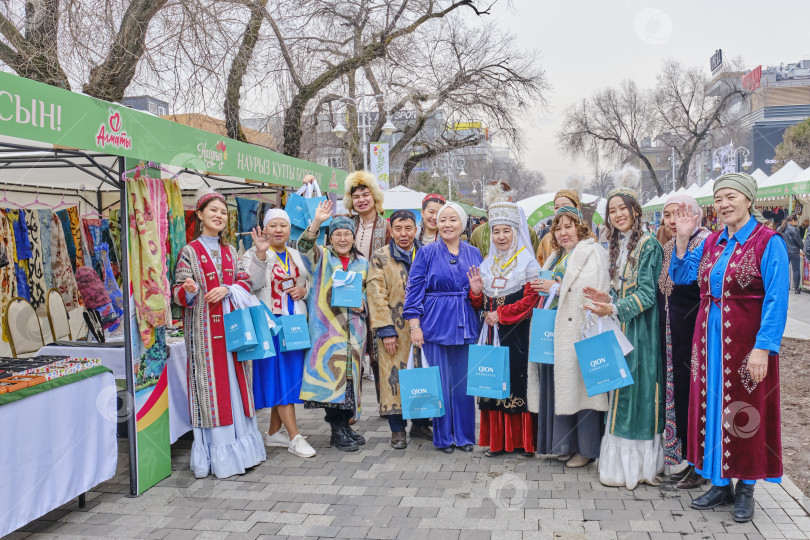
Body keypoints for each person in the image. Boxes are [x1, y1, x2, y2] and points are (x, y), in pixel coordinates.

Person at [670, 172, 788, 523]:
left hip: (746, 346)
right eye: (718, 199)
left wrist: (763, 348)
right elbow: (683, 277)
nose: (723, 205)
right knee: (712, 407)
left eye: (731, 197)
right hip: (707, 344)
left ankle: (746, 486)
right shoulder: (713, 243)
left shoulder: (768, 242)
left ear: (749, 200)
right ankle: (720, 484)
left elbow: (777, 300)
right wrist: (681, 239)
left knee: (744, 410)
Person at [172, 190, 266, 479]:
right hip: (204, 334)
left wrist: (228, 288)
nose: (219, 216)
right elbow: (177, 293)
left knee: (237, 386)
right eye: (213, 210)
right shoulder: (189, 251)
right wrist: (188, 291)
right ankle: (221, 456)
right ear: (199, 215)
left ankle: (244, 451)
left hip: (233, 332)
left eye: (223, 212)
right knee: (211, 389)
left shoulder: (230, 251)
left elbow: (245, 281)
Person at [584, 187, 664, 490]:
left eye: (622, 209)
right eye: (612, 211)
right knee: (620, 389)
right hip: (622, 327)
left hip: (641, 332)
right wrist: (607, 297)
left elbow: (647, 295)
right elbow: (626, 290)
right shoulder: (621, 245)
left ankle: (638, 467)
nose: (618, 215)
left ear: (635, 210)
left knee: (637, 393)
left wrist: (614, 306)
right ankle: (618, 466)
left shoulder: (648, 245)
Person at [528, 206, 610, 468]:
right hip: (554, 330)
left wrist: (557, 287)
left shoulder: (592, 252)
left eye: (568, 226)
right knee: (560, 388)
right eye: (558, 227)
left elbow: (592, 291)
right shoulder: (556, 254)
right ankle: (564, 443)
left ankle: (586, 449)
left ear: (580, 227)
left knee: (581, 389)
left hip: (578, 330)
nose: (563, 232)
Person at [404, 202, 483, 453]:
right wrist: (414, 326)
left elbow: (481, 294)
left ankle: (465, 436)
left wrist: (477, 292)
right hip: (435, 324)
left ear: (462, 224)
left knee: (463, 383)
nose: (447, 224)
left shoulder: (474, 252)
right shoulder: (426, 253)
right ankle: (444, 437)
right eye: (443, 220)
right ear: (436, 224)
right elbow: (413, 292)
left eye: (453, 220)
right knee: (439, 382)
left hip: (466, 322)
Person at [468, 202, 541, 458]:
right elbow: (481, 302)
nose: (501, 237)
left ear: (516, 232)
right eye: (496, 231)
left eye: (506, 231)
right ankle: (497, 442)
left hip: (518, 335)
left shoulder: (527, 263)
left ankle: (523, 442)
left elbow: (531, 301)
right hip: (492, 335)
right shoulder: (487, 263)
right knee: (493, 381)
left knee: (517, 383)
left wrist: (503, 314)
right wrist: (476, 292)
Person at [242, 208, 316, 458]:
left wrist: (303, 291)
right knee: (282, 378)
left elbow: (308, 280)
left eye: (283, 225)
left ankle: (274, 432)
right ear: (265, 228)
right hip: (270, 326)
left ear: (288, 229)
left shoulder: (295, 253)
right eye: (273, 225)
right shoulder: (253, 253)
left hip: (294, 325)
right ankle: (295, 436)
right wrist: (261, 256)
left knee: (288, 377)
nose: (278, 230)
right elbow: (249, 285)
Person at [297, 201, 369, 452]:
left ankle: (345, 426)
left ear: (353, 237)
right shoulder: (322, 257)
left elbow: (368, 293)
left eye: (347, 233)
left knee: (349, 381)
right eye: (337, 233)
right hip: (327, 333)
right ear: (331, 236)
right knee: (331, 379)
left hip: (354, 332)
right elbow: (304, 247)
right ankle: (336, 429)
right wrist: (316, 222)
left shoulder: (362, 263)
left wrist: (363, 304)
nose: (342, 238)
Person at [367, 210, 433, 449]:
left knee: (421, 374)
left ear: (416, 229)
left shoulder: (426, 254)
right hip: (394, 330)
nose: (403, 233)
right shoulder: (380, 257)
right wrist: (385, 330)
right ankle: (397, 430)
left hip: (424, 329)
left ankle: (421, 423)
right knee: (392, 378)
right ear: (391, 230)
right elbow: (376, 295)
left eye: (408, 228)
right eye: (398, 228)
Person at [656, 195, 710, 489]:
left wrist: (684, 240)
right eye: (668, 215)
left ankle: (700, 463)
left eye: (680, 213)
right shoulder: (669, 246)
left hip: (693, 331)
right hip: (672, 331)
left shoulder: (706, 241)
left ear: (697, 215)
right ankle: (689, 459)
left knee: (695, 394)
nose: (674, 220)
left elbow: (689, 279)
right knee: (679, 395)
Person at [343, 170, 391, 404]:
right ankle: (351, 407)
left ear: (374, 197)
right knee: (352, 352)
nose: (361, 200)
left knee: (380, 351)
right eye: (356, 196)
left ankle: (386, 403)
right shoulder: (346, 224)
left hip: (380, 297)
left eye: (365, 194)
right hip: (350, 296)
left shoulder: (387, 226)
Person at [469, 181, 540, 258]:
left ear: (509, 199)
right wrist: (485, 265)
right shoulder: (478, 234)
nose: (501, 237)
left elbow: (538, 260)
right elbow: (472, 262)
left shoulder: (526, 230)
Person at [536, 189, 588, 266]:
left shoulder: (588, 238)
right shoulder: (546, 239)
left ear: (577, 208)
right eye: (556, 207)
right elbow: (540, 265)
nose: (561, 210)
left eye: (565, 206)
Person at [781, 214, 803, 294]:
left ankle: (785, 286)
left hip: (784, 251)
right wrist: (802, 247)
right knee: (796, 270)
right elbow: (799, 241)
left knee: (784, 270)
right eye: (796, 221)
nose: (796, 223)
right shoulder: (794, 229)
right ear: (793, 220)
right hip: (794, 252)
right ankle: (796, 288)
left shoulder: (780, 228)